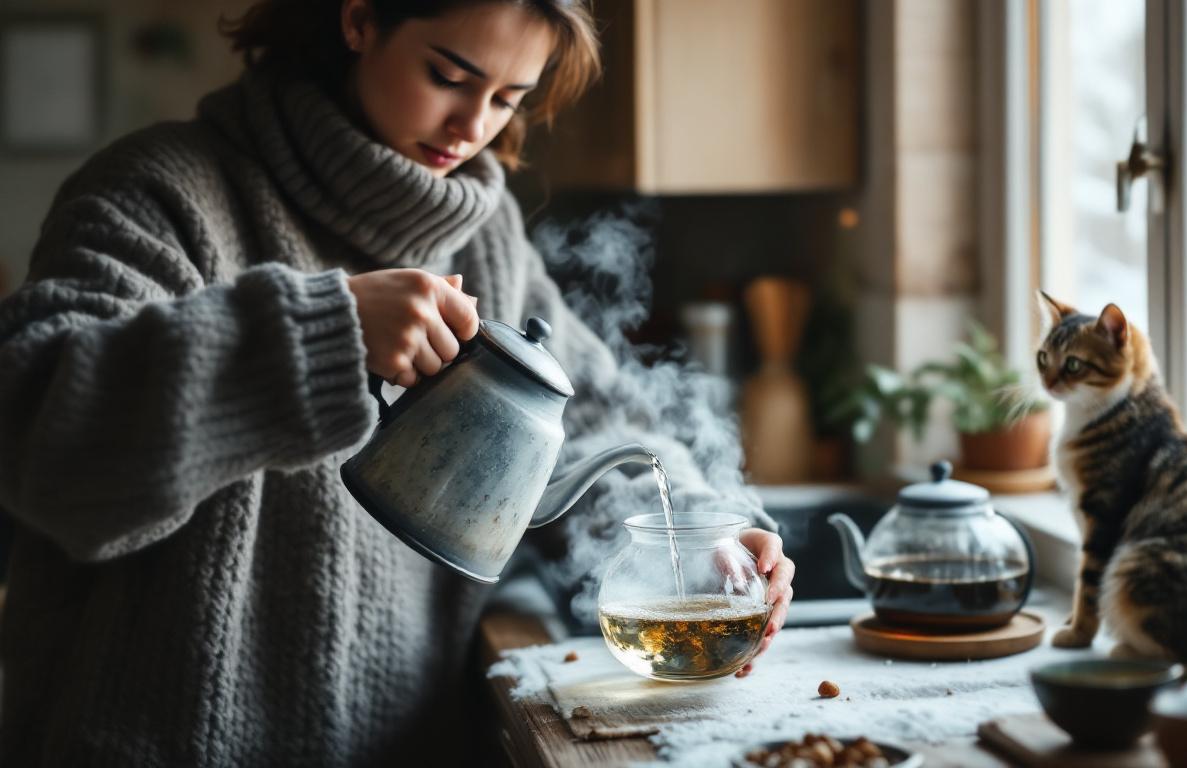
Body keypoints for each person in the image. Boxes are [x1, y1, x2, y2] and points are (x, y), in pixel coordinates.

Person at [0, 0, 796, 764]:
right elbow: (36, 437)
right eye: (450, 76)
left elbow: (597, 431)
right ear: (359, 18)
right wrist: (324, 334)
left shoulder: (488, 238)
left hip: (404, 747)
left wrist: (705, 540)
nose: (474, 126)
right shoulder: (162, 189)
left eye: (509, 98)